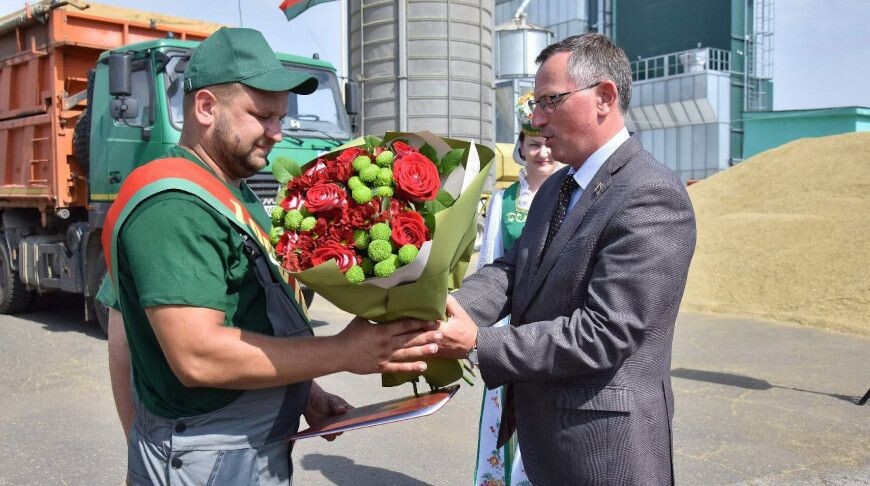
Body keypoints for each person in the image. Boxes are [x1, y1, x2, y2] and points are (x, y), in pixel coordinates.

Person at [103, 27, 440, 485]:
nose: (277, 133)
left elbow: (252, 318)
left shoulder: (229, 192)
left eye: (281, 117)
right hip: (206, 458)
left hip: (242, 450)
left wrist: (301, 392)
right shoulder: (174, 206)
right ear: (205, 106)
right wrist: (341, 351)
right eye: (262, 116)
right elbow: (195, 355)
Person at [433, 33, 697, 484]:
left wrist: (477, 342)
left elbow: (603, 332)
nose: (536, 118)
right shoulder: (556, 187)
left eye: (549, 101)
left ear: (604, 98)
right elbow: (514, 271)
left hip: (603, 448)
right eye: (534, 105)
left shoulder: (650, 194)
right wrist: (445, 310)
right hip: (547, 438)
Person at [473, 92, 562, 486]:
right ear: (521, 149)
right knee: (503, 412)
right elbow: (490, 261)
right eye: (533, 145)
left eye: (546, 144)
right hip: (510, 324)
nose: (542, 153)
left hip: (554, 323)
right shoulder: (504, 199)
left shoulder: (570, 195)